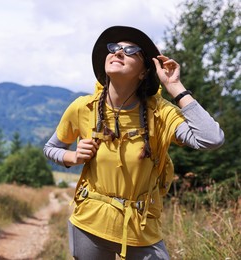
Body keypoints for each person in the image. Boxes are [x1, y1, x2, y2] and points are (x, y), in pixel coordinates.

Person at [43, 26, 224, 260]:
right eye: (114, 48)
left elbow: (211, 139)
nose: (118, 52)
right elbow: (51, 148)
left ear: (143, 72)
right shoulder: (83, 107)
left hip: (141, 229)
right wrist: (73, 157)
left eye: (130, 50)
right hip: (90, 223)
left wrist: (175, 87)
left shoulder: (160, 114)